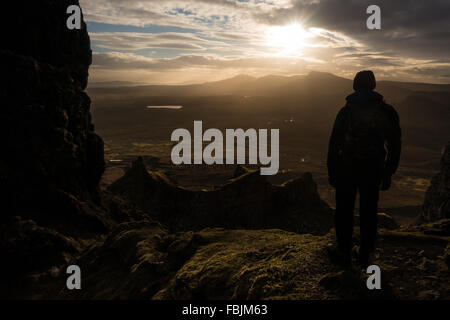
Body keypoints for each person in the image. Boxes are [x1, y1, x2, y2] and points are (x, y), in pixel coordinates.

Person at [327, 70, 402, 269]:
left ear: (355, 85)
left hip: (347, 167)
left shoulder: (346, 110)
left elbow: (334, 143)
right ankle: (365, 255)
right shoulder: (387, 111)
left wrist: (332, 171)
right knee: (369, 211)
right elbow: (395, 144)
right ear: (373, 85)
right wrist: (388, 172)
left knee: (344, 210)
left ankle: (343, 253)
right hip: (373, 168)